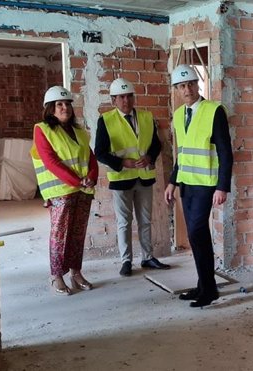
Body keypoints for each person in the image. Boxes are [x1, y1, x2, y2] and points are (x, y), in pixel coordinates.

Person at [164, 65, 233, 308]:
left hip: (206, 185)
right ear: (176, 89)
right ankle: (204, 285)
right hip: (187, 184)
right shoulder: (180, 114)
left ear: (198, 84)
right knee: (197, 237)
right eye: (182, 86)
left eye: (191, 83)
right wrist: (172, 181)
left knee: (196, 233)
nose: (187, 89)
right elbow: (181, 154)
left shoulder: (214, 111)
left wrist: (222, 186)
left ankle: (210, 289)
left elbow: (226, 152)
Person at [95, 77, 171, 277]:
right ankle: (126, 260)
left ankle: (147, 257)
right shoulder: (106, 120)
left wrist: (149, 157)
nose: (126, 101)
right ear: (113, 100)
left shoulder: (146, 117)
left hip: (144, 177)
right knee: (124, 221)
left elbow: (155, 144)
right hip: (122, 179)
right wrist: (122, 163)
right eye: (121, 97)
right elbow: (100, 152)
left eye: (129, 96)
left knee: (145, 220)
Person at [30, 86, 97, 295]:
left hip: (83, 190)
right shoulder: (42, 129)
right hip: (60, 191)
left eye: (67, 104)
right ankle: (56, 276)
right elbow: (51, 161)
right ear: (50, 109)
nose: (64, 107)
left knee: (78, 234)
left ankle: (76, 273)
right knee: (59, 235)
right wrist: (78, 180)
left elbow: (90, 157)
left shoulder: (80, 132)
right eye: (59, 104)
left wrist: (92, 178)